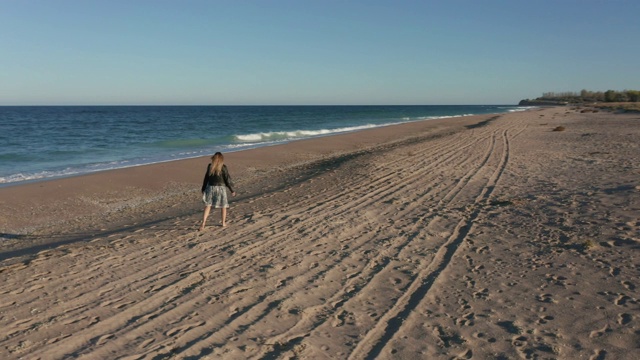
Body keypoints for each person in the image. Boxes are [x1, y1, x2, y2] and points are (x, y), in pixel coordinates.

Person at [200, 152, 236, 231]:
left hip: (210, 188)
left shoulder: (210, 166)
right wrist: (231, 190)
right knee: (223, 206)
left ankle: (203, 223)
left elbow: (206, 178)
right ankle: (223, 223)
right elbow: (227, 180)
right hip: (221, 188)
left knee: (208, 205)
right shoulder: (223, 167)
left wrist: (203, 188)